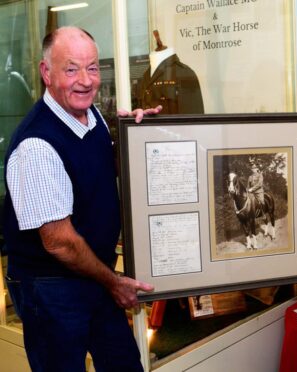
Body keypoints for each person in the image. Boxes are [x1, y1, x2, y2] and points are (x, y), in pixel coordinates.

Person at [3, 27, 161, 371]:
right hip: (51, 288)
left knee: (122, 363)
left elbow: (101, 167)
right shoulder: (36, 145)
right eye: (71, 69)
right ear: (47, 73)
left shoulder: (92, 116)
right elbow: (60, 243)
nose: (86, 80)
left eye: (92, 68)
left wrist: (138, 138)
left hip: (95, 274)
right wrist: (114, 282)